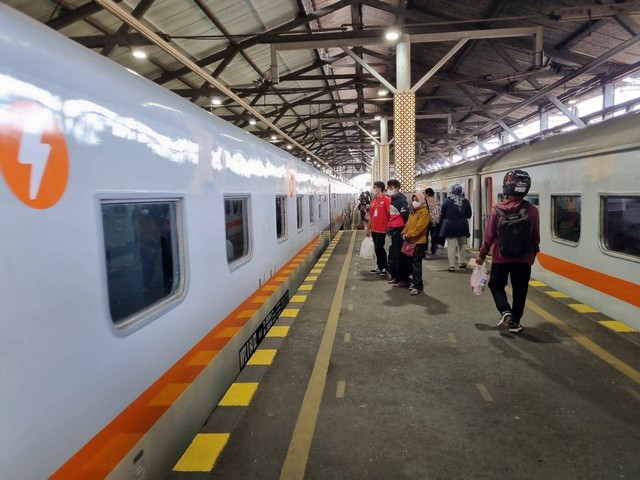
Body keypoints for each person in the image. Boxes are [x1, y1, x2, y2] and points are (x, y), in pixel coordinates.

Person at [475, 170, 540, 334]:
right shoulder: (531, 210)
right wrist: (532, 255)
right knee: (520, 290)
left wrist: (482, 255)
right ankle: (515, 322)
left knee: (495, 285)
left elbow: (489, 236)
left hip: (500, 257)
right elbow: (535, 236)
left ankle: (505, 311)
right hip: (523, 258)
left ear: (506, 187)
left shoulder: (496, 210)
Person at [439, 184, 472, 271]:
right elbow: (469, 215)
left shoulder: (447, 201)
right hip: (462, 226)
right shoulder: (466, 202)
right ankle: (461, 262)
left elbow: (442, 215)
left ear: (452, 191)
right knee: (462, 244)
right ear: (461, 191)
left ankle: (451, 266)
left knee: (451, 246)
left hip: (450, 226)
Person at [402, 192, 430, 295]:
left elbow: (419, 229)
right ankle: (415, 283)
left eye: (417, 200)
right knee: (411, 264)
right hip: (409, 241)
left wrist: (407, 235)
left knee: (416, 265)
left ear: (422, 200)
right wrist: (404, 233)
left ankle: (418, 286)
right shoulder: (413, 212)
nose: (415, 202)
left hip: (418, 243)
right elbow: (407, 225)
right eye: (413, 200)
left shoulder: (424, 212)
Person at [386, 179, 410, 287]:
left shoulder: (401, 200)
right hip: (394, 230)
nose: (389, 190)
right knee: (394, 255)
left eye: (391, 188)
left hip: (400, 231)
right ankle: (396, 277)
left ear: (397, 188)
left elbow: (405, 216)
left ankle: (403, 279)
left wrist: (403, 230)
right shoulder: (393, 199)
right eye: (388, 188)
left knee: (401, 256)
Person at [366, 181, 391, 275]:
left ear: (379, 188)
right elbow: (370, 215)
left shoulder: (386, 200)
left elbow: (390, 214)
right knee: (377, 248)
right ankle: (380, 266)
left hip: (382, 228)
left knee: (379, 247)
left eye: (374, 187)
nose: (373, 189)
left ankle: (385, 267)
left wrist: (389, 226)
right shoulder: (374, 201)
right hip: (374, 228)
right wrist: (368, 228)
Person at [424, 188, 441, 255]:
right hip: (435, 221)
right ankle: (434, 250)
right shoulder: (437, 201)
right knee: (434, 236)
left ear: (427, 194)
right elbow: (439, 211)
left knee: (425, 235)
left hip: (426, 221)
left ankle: (425, 249)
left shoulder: (424, 201)